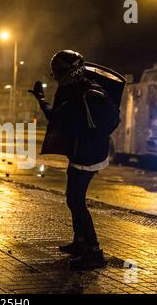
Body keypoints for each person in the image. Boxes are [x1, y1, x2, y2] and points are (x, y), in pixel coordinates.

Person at [29, 50, 118, 271]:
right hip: (93, 151)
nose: (56, 77)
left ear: (65, 72)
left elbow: (55, 117)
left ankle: (94, 252)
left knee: (76, 202)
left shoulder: (78, 95)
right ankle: (80, 242)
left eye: (57, 73)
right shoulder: (90, 86)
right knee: (73, 198)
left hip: (85, 156)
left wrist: (41, 100)